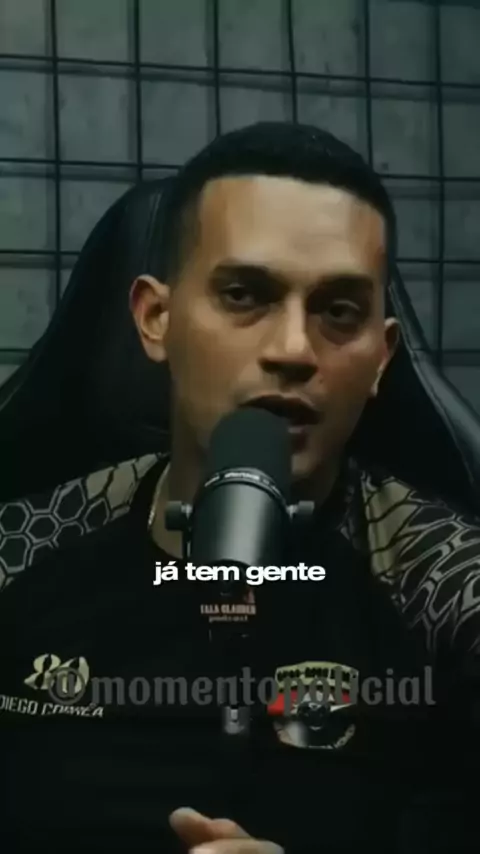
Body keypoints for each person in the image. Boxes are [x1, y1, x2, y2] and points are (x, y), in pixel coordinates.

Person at [1, 121, 479, 854]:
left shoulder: (447, 589)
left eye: (339, 311)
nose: (293, 349)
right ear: (156, 319)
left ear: (382, 358)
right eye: (244, 294)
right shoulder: (23, 554)